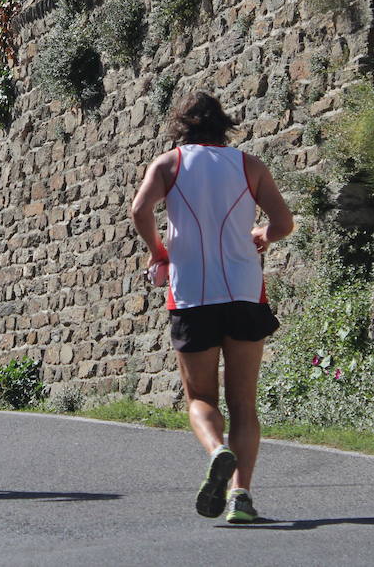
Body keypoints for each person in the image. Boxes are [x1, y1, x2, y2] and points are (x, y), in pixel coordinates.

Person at [129, 92, 294, 525]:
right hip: (243, 292)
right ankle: (241, 496)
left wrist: (159, 251)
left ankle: (217, 449)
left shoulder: (169, 164)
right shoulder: (249, 165)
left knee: (200, 397)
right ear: (225, 126)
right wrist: (262, 235)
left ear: (182, 126)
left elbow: (139, 210)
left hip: (191, 295)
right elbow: (284, 224)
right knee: (244, 404)